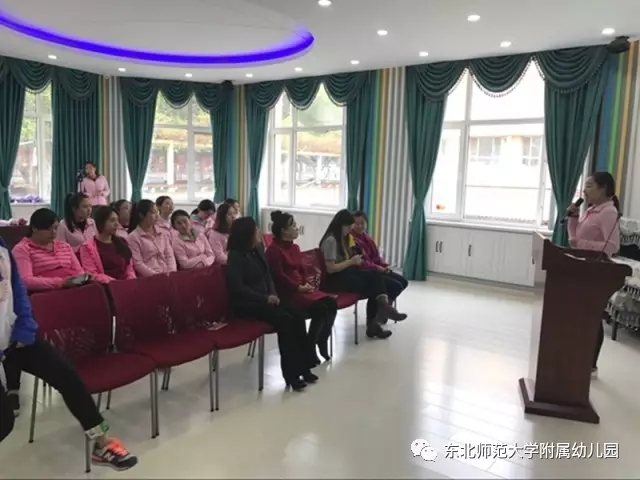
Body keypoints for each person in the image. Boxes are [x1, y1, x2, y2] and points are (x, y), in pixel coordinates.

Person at [0, 237, 138, 469]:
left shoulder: (1, 246)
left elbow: (16, 288)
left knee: (67, 376)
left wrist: (24, 326)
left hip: (16, 337)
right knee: (4, 422)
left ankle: (101, 443)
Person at [226, 217, 316, 391]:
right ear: (247, 234)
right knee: (285, 320)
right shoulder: (236, 256)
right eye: (256, 230)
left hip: (267, 299)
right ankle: (291, 374)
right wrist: (264, 298)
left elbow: (268, 276)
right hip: (247, 304)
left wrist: (273, 293)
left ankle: (304, 367)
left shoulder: (258, 249)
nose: (260, 232)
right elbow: (237, 288)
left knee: (298, 315)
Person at [319, 209, 407, 339]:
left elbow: (363, 257)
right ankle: (380, 314)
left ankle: (379, 315)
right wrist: (351, 262)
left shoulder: (345, 238)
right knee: (375, 283)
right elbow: (330, 269)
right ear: (341, 225)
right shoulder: (331, 240)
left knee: (376, 280)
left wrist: (356, 260)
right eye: (349, 226)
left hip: (347, 273)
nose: (351, 229)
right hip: (335, 279)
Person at [567, 171, 621, 376]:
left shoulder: (608, 212)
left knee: (592, 316)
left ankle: (590, 365)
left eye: (589, 186)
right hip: (583, 267)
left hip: (596, 271)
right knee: (582, 316)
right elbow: (574, 240)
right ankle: (580, 357)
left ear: (603, 188)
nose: (585, 191)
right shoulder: (591, 210)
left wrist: (581, 243)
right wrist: (572, 219)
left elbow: (612, 246)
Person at [265, 211, 337, 363]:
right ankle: (309, 348)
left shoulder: (295, 247)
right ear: (284, 231)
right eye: (293, 226)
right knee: (320, 308)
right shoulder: (273, 250)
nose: (297, 228)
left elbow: (302, 269)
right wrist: (298, 287)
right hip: (288, 292)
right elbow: (279, 276)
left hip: (301, 288)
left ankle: (321, 340)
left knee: (331, 304)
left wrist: (306, 283)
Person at [12, 208, 92, 292]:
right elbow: (26, 281)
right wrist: (61, 283)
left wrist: (84, 278)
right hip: (46, 294)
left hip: (73, 289)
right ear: (34, 228)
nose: (53, 232)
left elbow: (79, 272)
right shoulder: (22, 249)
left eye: (56, 228)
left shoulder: (65, 246)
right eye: (48, 229)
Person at [352, 210, 408, 313]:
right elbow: (362, 263)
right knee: (395, 285)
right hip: (366, 272)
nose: (360, 226)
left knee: (403, 281)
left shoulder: (367, 238)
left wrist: (384, 266)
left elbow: (376, 256)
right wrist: (379, 268)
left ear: (366, 223)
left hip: (376, 269)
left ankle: (383, 310)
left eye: (362, 223)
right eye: (356, 224)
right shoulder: (352, 240)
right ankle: (381, 312)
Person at [78, 206, 136, 283]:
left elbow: (129, 268)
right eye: (112, 220)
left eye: (117, 220)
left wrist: (130, 280)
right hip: (105, 285)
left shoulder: (122, 241)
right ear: (101, 223)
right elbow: (92, 274)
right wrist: (115, 283)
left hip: (126, 284)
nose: (117, 224)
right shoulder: (87, 247)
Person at [127, 200, 177, 277]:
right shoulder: (133, 237)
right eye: (153, 212)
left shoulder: (162, 232)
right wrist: (157, 277)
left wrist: (172, 273)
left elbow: (169, 255)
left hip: (168, 274)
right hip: (149, 278)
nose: (157, 215)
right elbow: (138, 264)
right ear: (141, 215)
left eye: (157, 212)